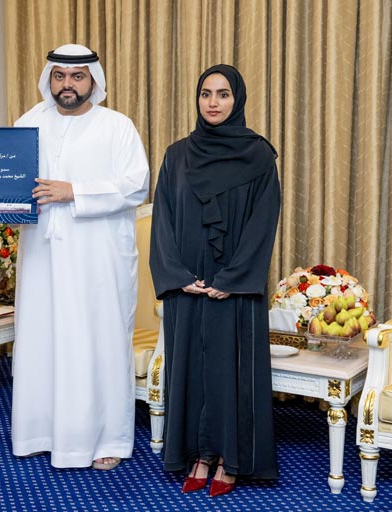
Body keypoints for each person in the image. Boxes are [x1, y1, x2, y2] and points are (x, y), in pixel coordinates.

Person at [11, 44, 150, 470]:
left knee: (97, 341)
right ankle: (41, 433)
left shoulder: (117, 126)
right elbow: (7, 181)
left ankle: (106, 438)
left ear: (93, 80)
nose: (67, 85)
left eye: (77, 76)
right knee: (41, 338)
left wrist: (75, 191)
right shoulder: (27, 124)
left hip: (98, 258)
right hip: (41, 253)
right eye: (59, 76)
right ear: (48, 80)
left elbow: (137, 185)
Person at [150, 64, 280, 497]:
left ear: (237, 99)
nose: (213, 102)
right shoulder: (177, 156)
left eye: (223, 94)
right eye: (206, 93)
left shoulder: (259, 156)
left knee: (230, 370)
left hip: (234, 285)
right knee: (190, 368)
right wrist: (177, 276)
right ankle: (199, 455)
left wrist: (234, 278)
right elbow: (163, 220)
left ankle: (230, 459)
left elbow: (264, 223)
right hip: (188, 283)